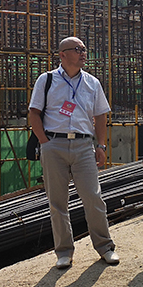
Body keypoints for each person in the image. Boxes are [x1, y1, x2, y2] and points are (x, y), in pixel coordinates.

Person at [28, 36, 120, 269]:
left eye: (84, 49)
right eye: (77, 49)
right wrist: (44, 141)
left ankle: (105, 247)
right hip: (54, 145)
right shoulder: (46, 80)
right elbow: (34, 113)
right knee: (57, 202)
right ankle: (64, 252)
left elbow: (100, 115)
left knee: (93, 197)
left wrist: (101, 145)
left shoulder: (92, 82)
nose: (83, 53)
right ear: (63, 54)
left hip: (83, 145)